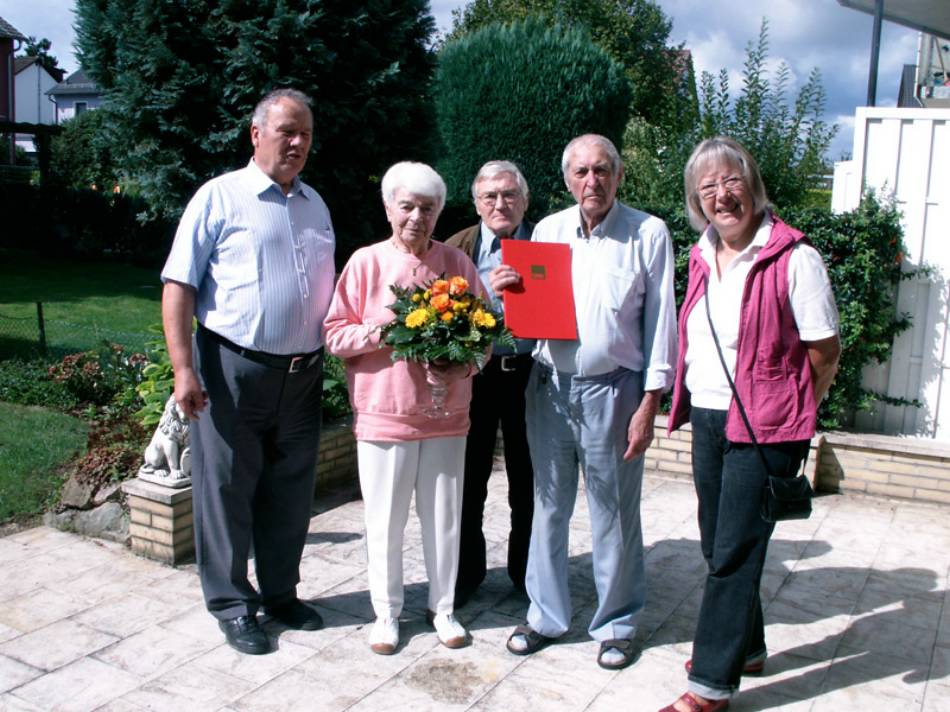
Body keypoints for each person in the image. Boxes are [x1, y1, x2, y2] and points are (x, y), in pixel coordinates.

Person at [660, 137, 840, 712]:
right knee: (718, 543)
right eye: (707, 186)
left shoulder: (794, 257)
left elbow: (824, 351)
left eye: (730, 180)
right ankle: (750, 646)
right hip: (709, 413)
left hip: (766, 428)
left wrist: (791, 410)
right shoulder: (701, 254)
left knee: (735, 551)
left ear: (752, 183)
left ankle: (711, 686)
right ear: (696, 199)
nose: (721, 195)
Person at [161, 88, 335, 656]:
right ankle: (233, 604)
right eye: (287, 130)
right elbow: (179, 286)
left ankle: (281, 593)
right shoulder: (219, 197)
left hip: (303, 374)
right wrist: (183, 369)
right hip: (233, 369)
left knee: (290, 492)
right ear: (255, 133)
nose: (297, 142)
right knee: (228, 489)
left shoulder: (315, 204)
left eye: (305, 133)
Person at [494, 134, 677, 670]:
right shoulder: (548, 231)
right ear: (567, 179)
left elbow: (661, 320)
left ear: (618, 175)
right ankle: (546, 615)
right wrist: (505, 295)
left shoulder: (648, 232)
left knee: (613, 514)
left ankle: (616, 623)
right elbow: (527, 323)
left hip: (614, 390)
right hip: (549, 388)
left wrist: (651, 401)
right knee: (548, 509)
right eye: (580, 172)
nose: (591, 181)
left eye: (601, 170)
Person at [323, 161, 482, 655]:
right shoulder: (366, 262)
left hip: (444, 413)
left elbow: (484, 338)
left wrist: (463, 365)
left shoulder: (457, 265)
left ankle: (444, 608)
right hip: (385, 413)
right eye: (407, 206)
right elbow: (333, 335)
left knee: (444, 519)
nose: (417, 217)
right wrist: (382, 329)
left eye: (428, 208)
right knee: (385, 521)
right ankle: (387, 614)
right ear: (389, 207)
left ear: (438, 213)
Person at [445, 160, 535, 606]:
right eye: (490, 196)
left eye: (509, 194)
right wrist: (483, 288)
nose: (500, 203)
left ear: (524, 200)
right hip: (475, 376)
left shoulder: (546, 243)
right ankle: (466, 574)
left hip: (532, 376)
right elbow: (439, 309)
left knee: (530, 479)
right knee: (468, 477)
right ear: (477, 203)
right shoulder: (455, 248)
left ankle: (527, 574)